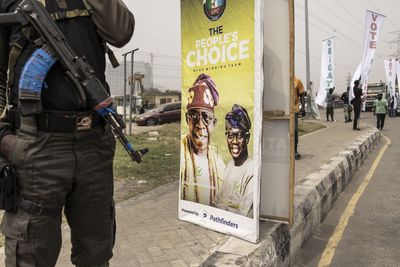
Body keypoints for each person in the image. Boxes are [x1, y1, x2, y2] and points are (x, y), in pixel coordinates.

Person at [0, 1, 134, 266]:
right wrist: (4, 138)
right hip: (36, 146)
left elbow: (121, 33)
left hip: (94, 143)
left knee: (96, 252)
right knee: (30, 255)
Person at [180, 73, 225, 206]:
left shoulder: (219, 165)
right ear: (187, 120)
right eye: (194, 116)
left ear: (214, 123)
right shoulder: (182, 151)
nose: (200, 125)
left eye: (206, 117)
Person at [218, 104, 253, 218]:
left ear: (247, 138)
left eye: (239, 136)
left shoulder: (252, 170)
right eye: (230, 135)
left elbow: (245, 212)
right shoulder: (228, 166)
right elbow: (219, 201)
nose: (234, 141)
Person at [294, 77, 305, 160]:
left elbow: (301, 95)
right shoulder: (281, 80)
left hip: (294, 110)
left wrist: (303, 107)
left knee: (294, 130)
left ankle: (295, 150)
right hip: (282, 110)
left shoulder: (297, 81)